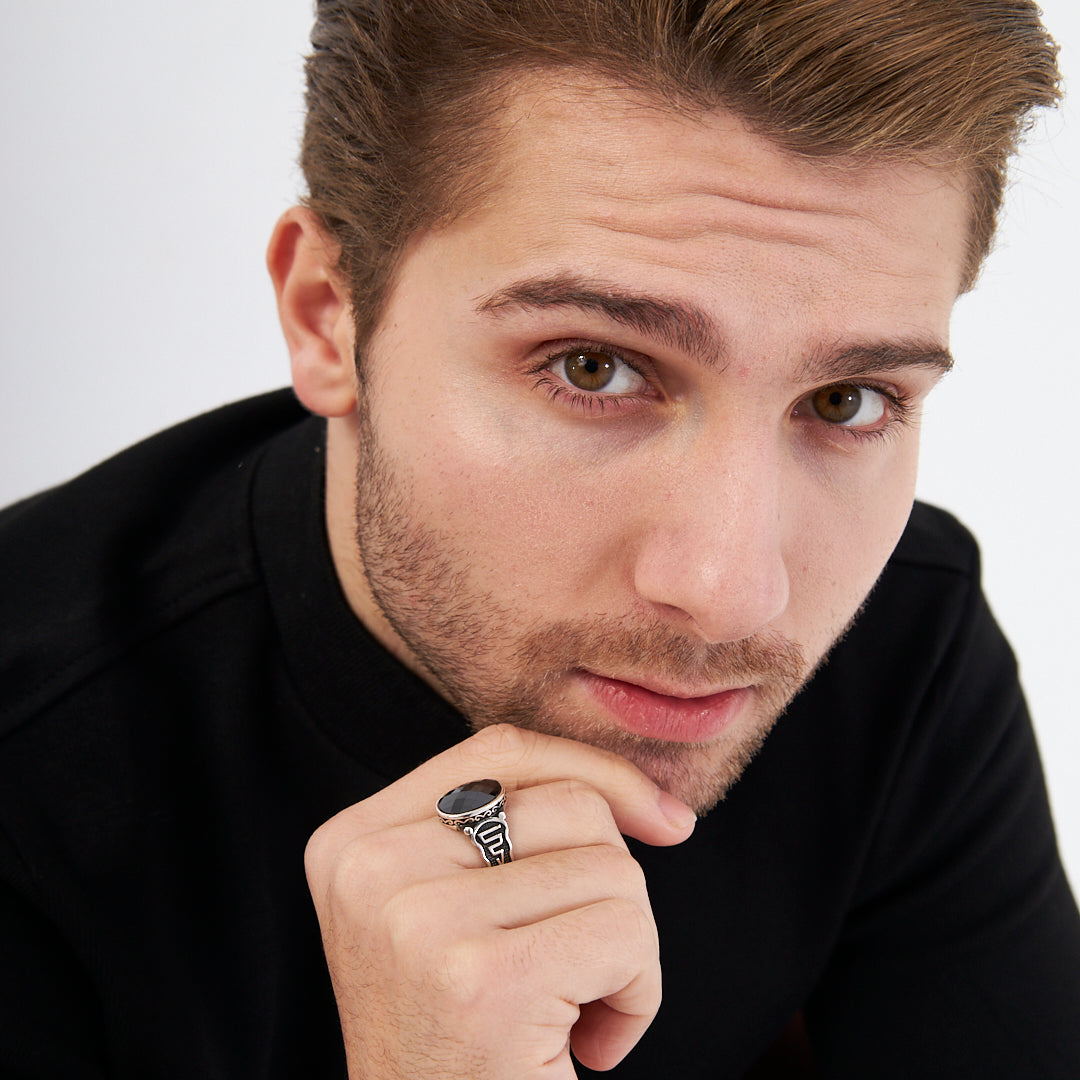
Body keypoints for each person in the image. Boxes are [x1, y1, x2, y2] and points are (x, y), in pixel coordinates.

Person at [1, 0, 1078, 1077]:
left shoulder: (909, 646)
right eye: (593, 367)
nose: (732, 590)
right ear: (329, 312)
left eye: (846, 400)